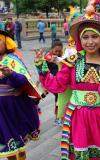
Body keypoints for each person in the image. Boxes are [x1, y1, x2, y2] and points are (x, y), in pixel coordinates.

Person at [34, 2, 100, 159]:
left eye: (94, 37)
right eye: (85, 37)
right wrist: (41, 67)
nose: (90, 42)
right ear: (79, 39)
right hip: (77, 118)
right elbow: (57, 85)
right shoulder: (72, 61)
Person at [0, 29, 41, 160]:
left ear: (7, 43)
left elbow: (24, 80)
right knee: (5, 140)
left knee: (17, 140)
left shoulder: (12, 59)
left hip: (13, 107)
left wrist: (11, 74)